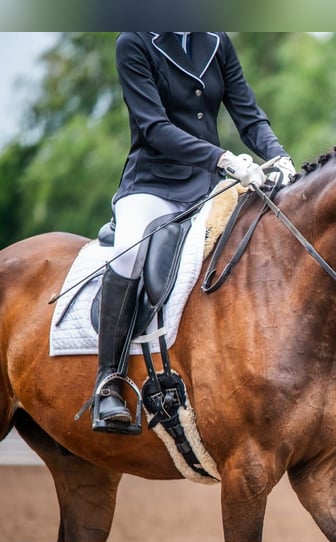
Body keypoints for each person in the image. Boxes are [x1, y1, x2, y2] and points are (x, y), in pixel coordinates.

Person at [91, 32, 295, 433]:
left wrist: (278, 156)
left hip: (208, 188)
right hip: (154, 185)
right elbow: (154, 128)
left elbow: (248, 115)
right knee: (130, 252)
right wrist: (221, 158)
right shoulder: (134, 42)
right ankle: (109, 383)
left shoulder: (216, 42)